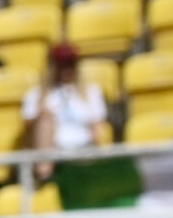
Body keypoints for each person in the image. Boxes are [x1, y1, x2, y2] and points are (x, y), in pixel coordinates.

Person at [20, 40, 115, 169]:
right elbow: (28, 125)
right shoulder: (37, 94)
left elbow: (99, 123)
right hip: (54, 150)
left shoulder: (91, 91)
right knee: (45, 121)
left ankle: (93, 166)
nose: (66, 69)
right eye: (61, 65)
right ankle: (45, 172)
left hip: (84, 146)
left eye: (70, 64)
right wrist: (42, 115)